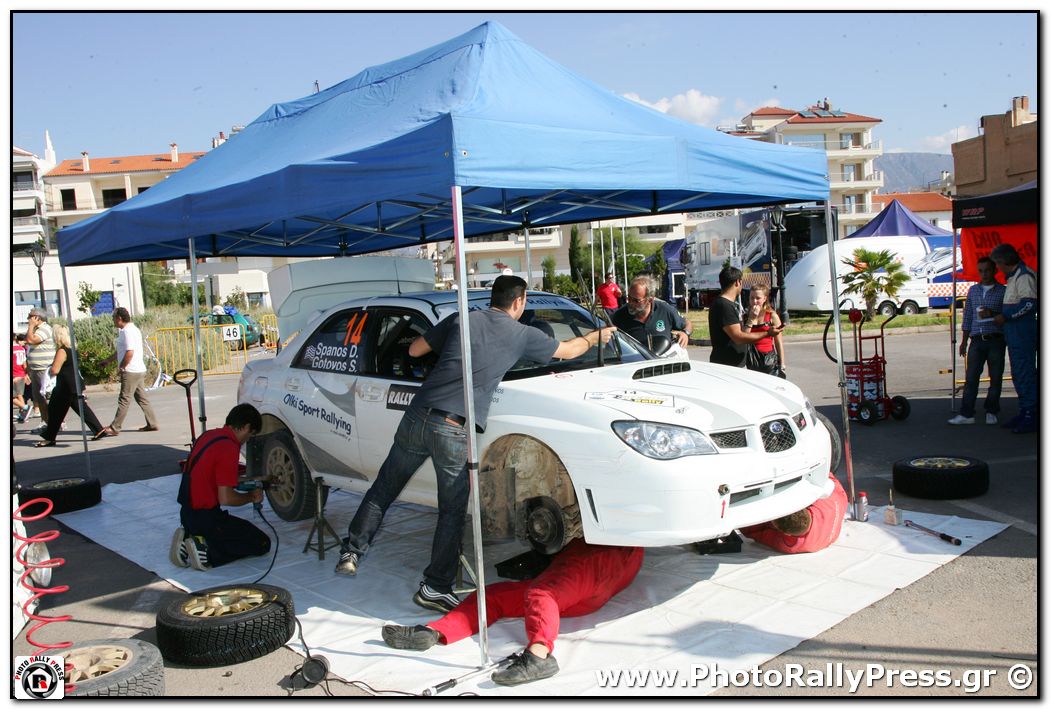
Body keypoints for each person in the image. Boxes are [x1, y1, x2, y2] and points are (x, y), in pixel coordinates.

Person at [336, 275, 616, 613]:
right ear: (519, 301)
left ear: (493, 298)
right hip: (451, 427)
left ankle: (351, 551)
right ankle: (435, 587)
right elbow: (568, 351)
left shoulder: (462, 319)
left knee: (384, 488)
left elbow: (414, 350)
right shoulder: (522, 334)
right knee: (452, 511)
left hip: (417, 415)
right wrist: (595, 336)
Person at [381, 539, 644, 686]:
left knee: (542, 594)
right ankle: (434, 632)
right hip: (610, 573)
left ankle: (540, 655)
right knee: (498, 595)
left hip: (603, 553)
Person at [171, 403, 271, 570]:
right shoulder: (229, 447)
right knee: (262, 543)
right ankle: (205, 549)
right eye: (250, 435)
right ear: (246, 427)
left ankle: (188, 537)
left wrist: (257, 479)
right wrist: (251, 497)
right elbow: (226, 498)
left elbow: (220, 476)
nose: (247, 440)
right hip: (206, 517)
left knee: (235, 530)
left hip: (187, 513)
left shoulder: (209, 436)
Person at [948, 257, 1006, 426]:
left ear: (994, 271)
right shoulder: (973, 290)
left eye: (987, 270)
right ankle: (967, 413)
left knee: (995, 377)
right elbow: (968, 316)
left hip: (995, 338)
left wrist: (992, 313)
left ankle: (991, 410)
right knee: (971, 378)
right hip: (976, 339)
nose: (984, 274)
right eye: (980, 271)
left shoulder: (1003, 291)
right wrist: (964, 341)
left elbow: (1007, 315)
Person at [987, 244, 1038, 434]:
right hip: (1014, 330)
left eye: (998, 264)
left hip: (1022, 330)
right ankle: (1025, 409)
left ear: (1004, 261)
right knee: (1018, 372)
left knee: (1025, 371)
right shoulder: (1014, 277)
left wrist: (1006, 316)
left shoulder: (1024, 276)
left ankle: (1031, 413)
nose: (997, 268)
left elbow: (1029, 304)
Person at [740, 473, 848, 554]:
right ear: (803, 506)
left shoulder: (790, 544)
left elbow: (751, 530)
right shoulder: (833, 497)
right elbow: (823, 474)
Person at [34, 325, 105, 447]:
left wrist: (49, 369)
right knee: (80, 408)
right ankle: (98, 429)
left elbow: (55, 370)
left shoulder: (62, 350)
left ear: (57, 336)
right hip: (74, 383)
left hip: (65, 386)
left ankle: (49, 437)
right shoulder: (72, 349)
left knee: (54, 410)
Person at [94, 307, 159, 439]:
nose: (113, 320)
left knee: (124, 399)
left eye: (114, 318)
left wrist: (122, 367)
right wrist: (108, 360)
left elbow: (130, 352)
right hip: (138, 369)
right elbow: (122, 351)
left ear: (119, 318)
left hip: (131, 370)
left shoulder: (126, 331)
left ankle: (115, 427)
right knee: (142, 398)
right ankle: (152, 423)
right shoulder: (133, 329)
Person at [708, 266, 783, 367]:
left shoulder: (727, 304)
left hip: (734, 364)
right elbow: (738, 337)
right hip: (727, 365)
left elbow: (741, 334)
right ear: (738, 282)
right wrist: (767, 333)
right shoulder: (724, 305)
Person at [611, 275, 691, 350]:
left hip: (662, 358)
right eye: (629, 298)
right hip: (635, 359)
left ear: (650, 299)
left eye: (636, 300)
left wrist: (685, 333)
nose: (630, 303)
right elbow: (607, 332)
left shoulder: (665, 310)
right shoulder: (620, 315)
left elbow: (687, 323)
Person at [744, 284, 785, 376]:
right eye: (752, 298)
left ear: (765, 298)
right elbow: (743, 337)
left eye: (758, 298)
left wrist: (782, 364)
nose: (754, 301)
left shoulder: (771, 315)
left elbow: (778, 342)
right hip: (751, 358)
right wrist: (751, 319)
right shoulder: (745, 316)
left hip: (768, 359)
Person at [24, 308, 55, 430]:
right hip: (35, 369)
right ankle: (45, 421)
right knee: (39, 398)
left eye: (30, 316)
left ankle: (54, 422)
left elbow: (31, 340)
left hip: (44, 369)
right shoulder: (36, 330)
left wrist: (31, 326)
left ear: (37, 318)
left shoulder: (44, 329)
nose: (28, 319)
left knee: (46, 397)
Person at [12, 332, 32, 422]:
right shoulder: (21, 348)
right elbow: (24, 363)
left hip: (14, 374)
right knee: (19, 394)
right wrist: (26, 374)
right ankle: (23, 414)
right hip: (21, 373)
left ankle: (25, 407)